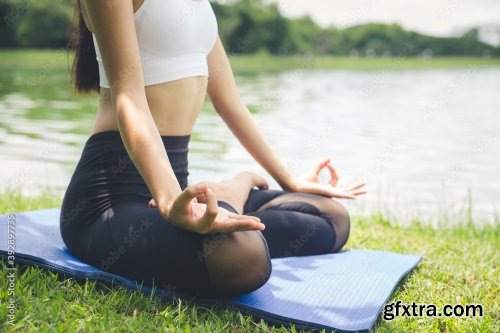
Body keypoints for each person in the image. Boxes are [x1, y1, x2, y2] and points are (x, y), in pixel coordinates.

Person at [60, 0, 366, 298]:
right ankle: (233, 191)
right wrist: (168, 200)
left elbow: (229, 103)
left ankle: (227, 201)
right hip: (111, 200)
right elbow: (129, 98)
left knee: (333, 218)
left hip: (174, 188)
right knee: (245, 258)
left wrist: (289, 180)